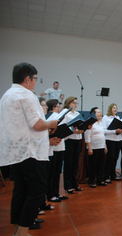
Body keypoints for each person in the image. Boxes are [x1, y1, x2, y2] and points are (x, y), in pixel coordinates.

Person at [0, 62, 59, 236]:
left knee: (20, 191)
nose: (35, 82)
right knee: (37, 191)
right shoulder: (26, 95)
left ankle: (18, 230)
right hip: (30, 152)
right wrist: (51, 123)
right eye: (34, 79)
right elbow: (37, 124)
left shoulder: (6, 96)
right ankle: (23, 231)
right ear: (27, 79)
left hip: (15, 152)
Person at [46, 99, 68, 201]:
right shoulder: (50, 118)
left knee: (58, 171)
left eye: (59, 107)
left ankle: (56, 192)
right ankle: (50, 194)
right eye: (56, 107)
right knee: (52, 172)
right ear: (51, 108)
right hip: (52, 148)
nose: (59, 109)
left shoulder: (61, 118)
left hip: (61, 146)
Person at [62, 97, 84, 194]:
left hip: (77, 139)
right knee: (68, 163)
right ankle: (68, 185)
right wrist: (72, 130)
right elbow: (63, 127)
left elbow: (81, 126)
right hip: (69, 140)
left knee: (75, 162)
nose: (75, 104)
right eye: (73, 103)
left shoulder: (77, 114)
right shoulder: (66, 113)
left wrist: (82, 129)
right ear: (68, 103)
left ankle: (74, 183)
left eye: (76, 103)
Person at [85, 107, 107, 187]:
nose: (100, 114)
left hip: (101, 146)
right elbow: (87, 136)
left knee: (100, 165)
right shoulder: (90, 123)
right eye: (98, 112)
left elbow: (102, 135)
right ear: (93, 114)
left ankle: (100, 180)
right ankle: (91, 181)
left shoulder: (100, 123)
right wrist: (89, 148)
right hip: (93, 147)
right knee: (93, 165)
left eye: (100, 112)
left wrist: (105, 146)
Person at [101, 103, 122, 183]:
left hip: (118, 140)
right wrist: (115, 131)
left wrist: (121, 130)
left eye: (116, 108)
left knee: (115, 158)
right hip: (110, 140)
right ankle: (106, 176)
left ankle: (113, 174)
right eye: (113, 108)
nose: (115, 109)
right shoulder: (106, 118)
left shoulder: (118, 117)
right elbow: (104, 130)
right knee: (110, 158)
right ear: (110, 109)